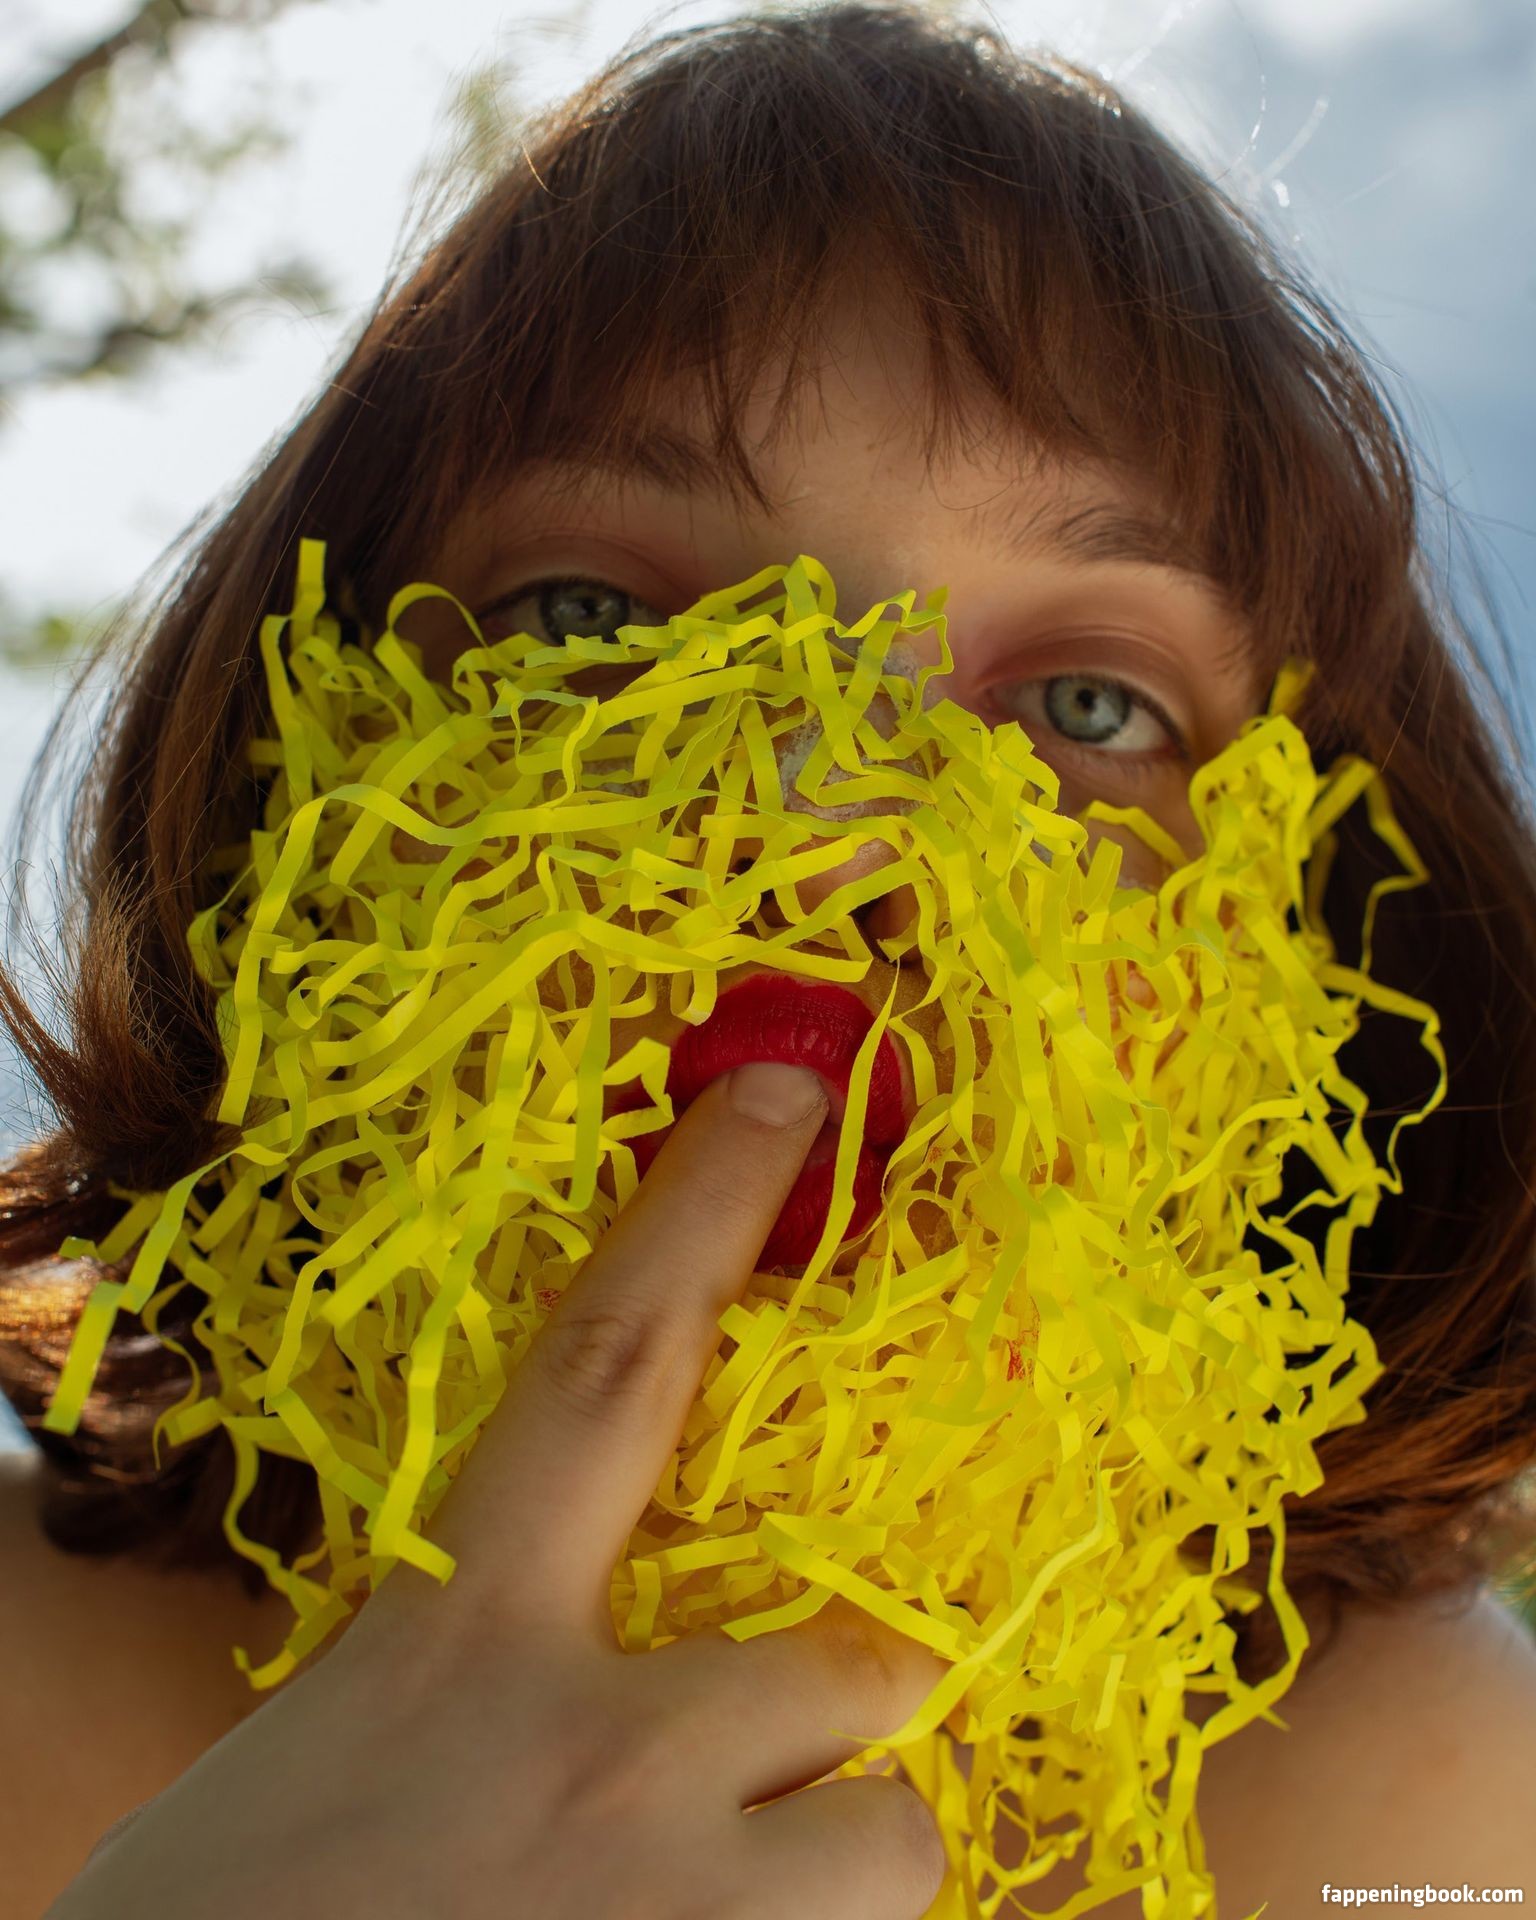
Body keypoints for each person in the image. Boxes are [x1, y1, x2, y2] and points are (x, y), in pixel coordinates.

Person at [2, 4, 1536, 1915]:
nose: (829, 831)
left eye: (1086, 704)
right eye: (591, 620)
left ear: (1310, 972)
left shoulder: (1449, 1818)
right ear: (276, 815)